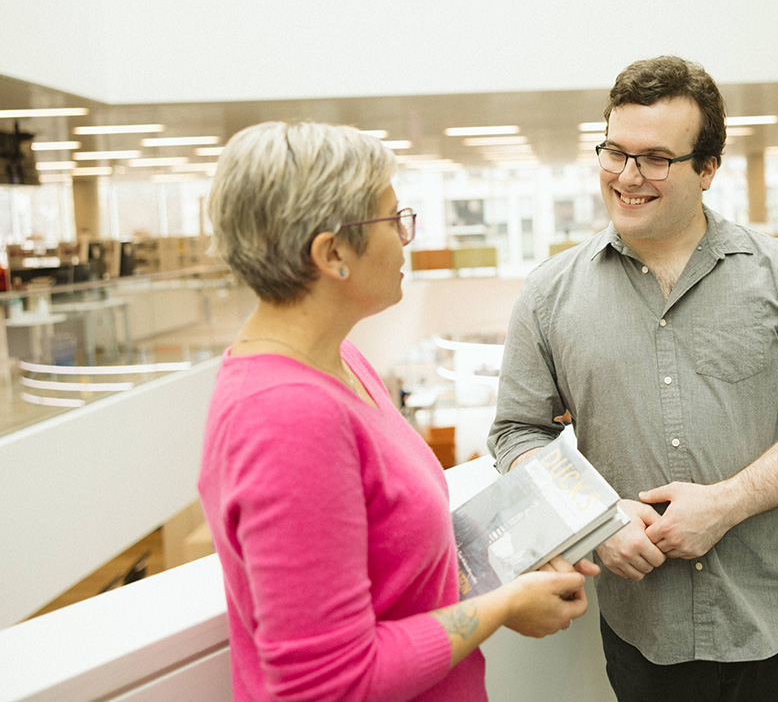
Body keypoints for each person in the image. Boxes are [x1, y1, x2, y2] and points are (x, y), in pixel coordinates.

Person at [488, 56, 778, 702]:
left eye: (656, 157)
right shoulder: (550, 294)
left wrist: (728, 502)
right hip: (643, 626)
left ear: (707, 167)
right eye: (615, 152)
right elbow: (516, 434)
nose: (628, 177)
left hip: (776, 611)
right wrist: (594, 518)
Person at [199, 121, 596, 702]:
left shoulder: (344, 364)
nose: (406, 237)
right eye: (393, 219)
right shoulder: (286, 417)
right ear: (332, 252)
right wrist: (503, 605)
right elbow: (326, 683)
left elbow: (392, 569)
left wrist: (510, 570)